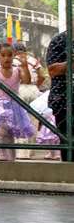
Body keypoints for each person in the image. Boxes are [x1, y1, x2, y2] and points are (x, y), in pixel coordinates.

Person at [45, 30, 72, 161]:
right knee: (67, 139)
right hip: (64, 99)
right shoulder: (60, 40)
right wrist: (71, 62)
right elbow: (52, 70)